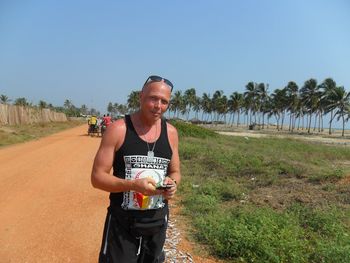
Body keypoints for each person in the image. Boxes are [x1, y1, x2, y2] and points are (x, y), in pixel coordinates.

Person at [91, 75, 181, 263]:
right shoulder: (119, 129)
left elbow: (175, 172)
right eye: (153, 98)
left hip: (157, 224)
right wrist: (132, 185)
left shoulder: (171, 133)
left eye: (164, 101)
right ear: (141, 96)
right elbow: (97, 177)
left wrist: (172, 184)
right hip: (122, 224)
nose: (158, 105)